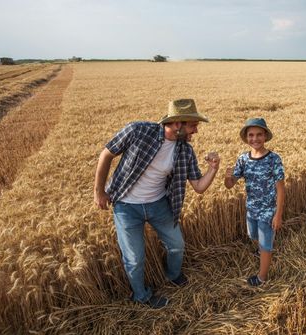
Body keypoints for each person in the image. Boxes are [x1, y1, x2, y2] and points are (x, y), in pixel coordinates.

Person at [94, 99, 220, 308]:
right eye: (193, 125)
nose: (196, 131)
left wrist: (213, 168)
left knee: (177, 245)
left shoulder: (184, 151)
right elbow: (106, 154)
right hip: (126, 206)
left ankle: (172, 275)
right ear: (177, 124)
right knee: (134, 258)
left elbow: (198, 186)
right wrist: (99, 191)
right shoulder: (138, 131)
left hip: (159, 205)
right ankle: (141, 295)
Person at [224, 117, 285, 286]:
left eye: (259, 134)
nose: (255, 138)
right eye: (251, 135)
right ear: (246, 138)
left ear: (265, 136)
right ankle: (263, 251)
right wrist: (227, 177)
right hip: (251, 209)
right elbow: (230, 185)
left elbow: (281, 188)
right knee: (253, 236)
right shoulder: (243, 159)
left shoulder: (274, 159)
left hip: (268, 211)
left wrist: (278, 215)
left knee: (265, 245)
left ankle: (262, 277)